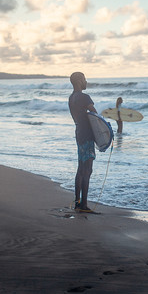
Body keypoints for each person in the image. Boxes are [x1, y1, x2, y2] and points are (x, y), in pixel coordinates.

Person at [68, 71, 97, 212]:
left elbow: (78, 117)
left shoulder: (71, 98)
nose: (86, 81)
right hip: (87, 135)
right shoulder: (85, 97)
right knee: (87, 170)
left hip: (79, 134)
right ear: (80, 80)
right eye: (85, 79)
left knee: (80, 169)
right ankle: (84, 205)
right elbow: (95, 115)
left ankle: (77, 202)